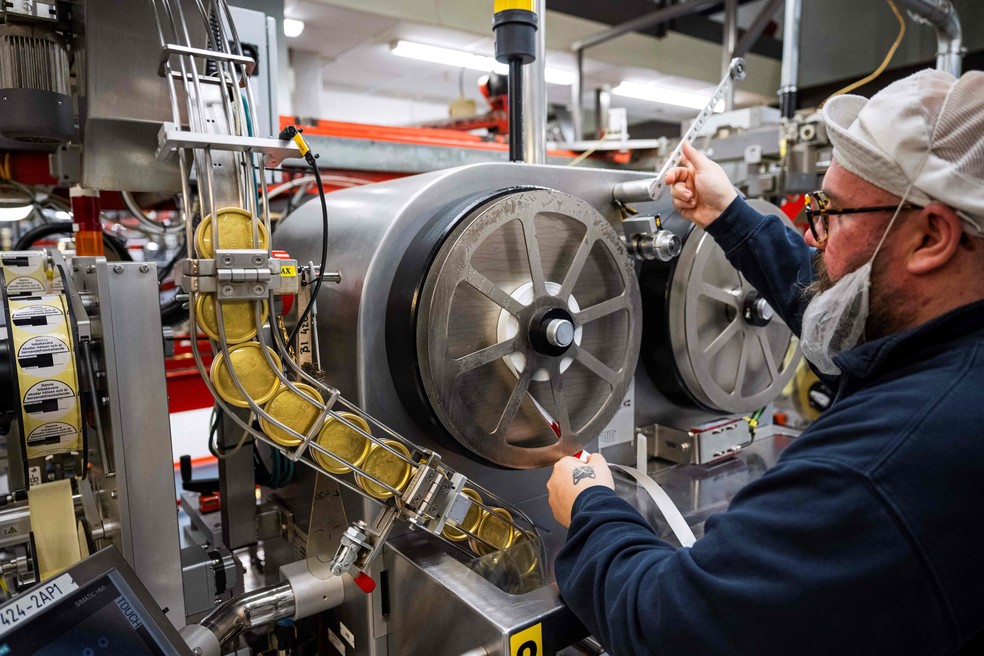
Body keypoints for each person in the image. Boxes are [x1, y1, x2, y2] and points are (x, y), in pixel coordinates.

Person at [546, 69, 984, 655]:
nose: (816, 237)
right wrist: (730, 216)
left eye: (831, 212)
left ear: (932, 238)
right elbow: (847, 304)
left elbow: (673, 624)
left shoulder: (881, 465)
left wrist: (591, 509)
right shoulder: (946, 339)